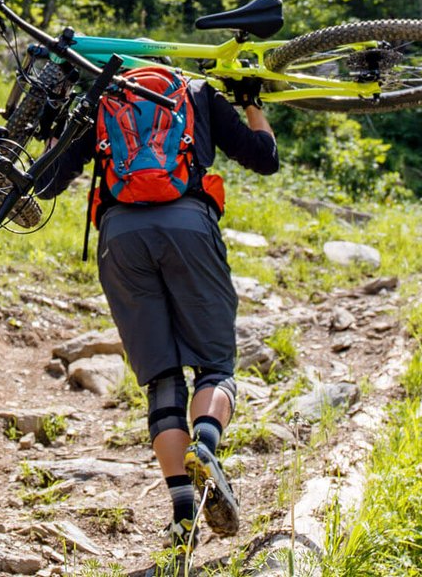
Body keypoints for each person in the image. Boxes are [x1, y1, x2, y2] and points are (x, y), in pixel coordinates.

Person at [35, 70, 278, 559]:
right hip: (189, 226)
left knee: (163, 380)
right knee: (215, 367)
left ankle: (183, 514)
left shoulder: (103, 99)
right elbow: (264, 158)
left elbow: (46, 182)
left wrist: (53, 125)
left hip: (121, 238)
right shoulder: (198, 92)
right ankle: (204, 444)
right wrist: (252, 102)